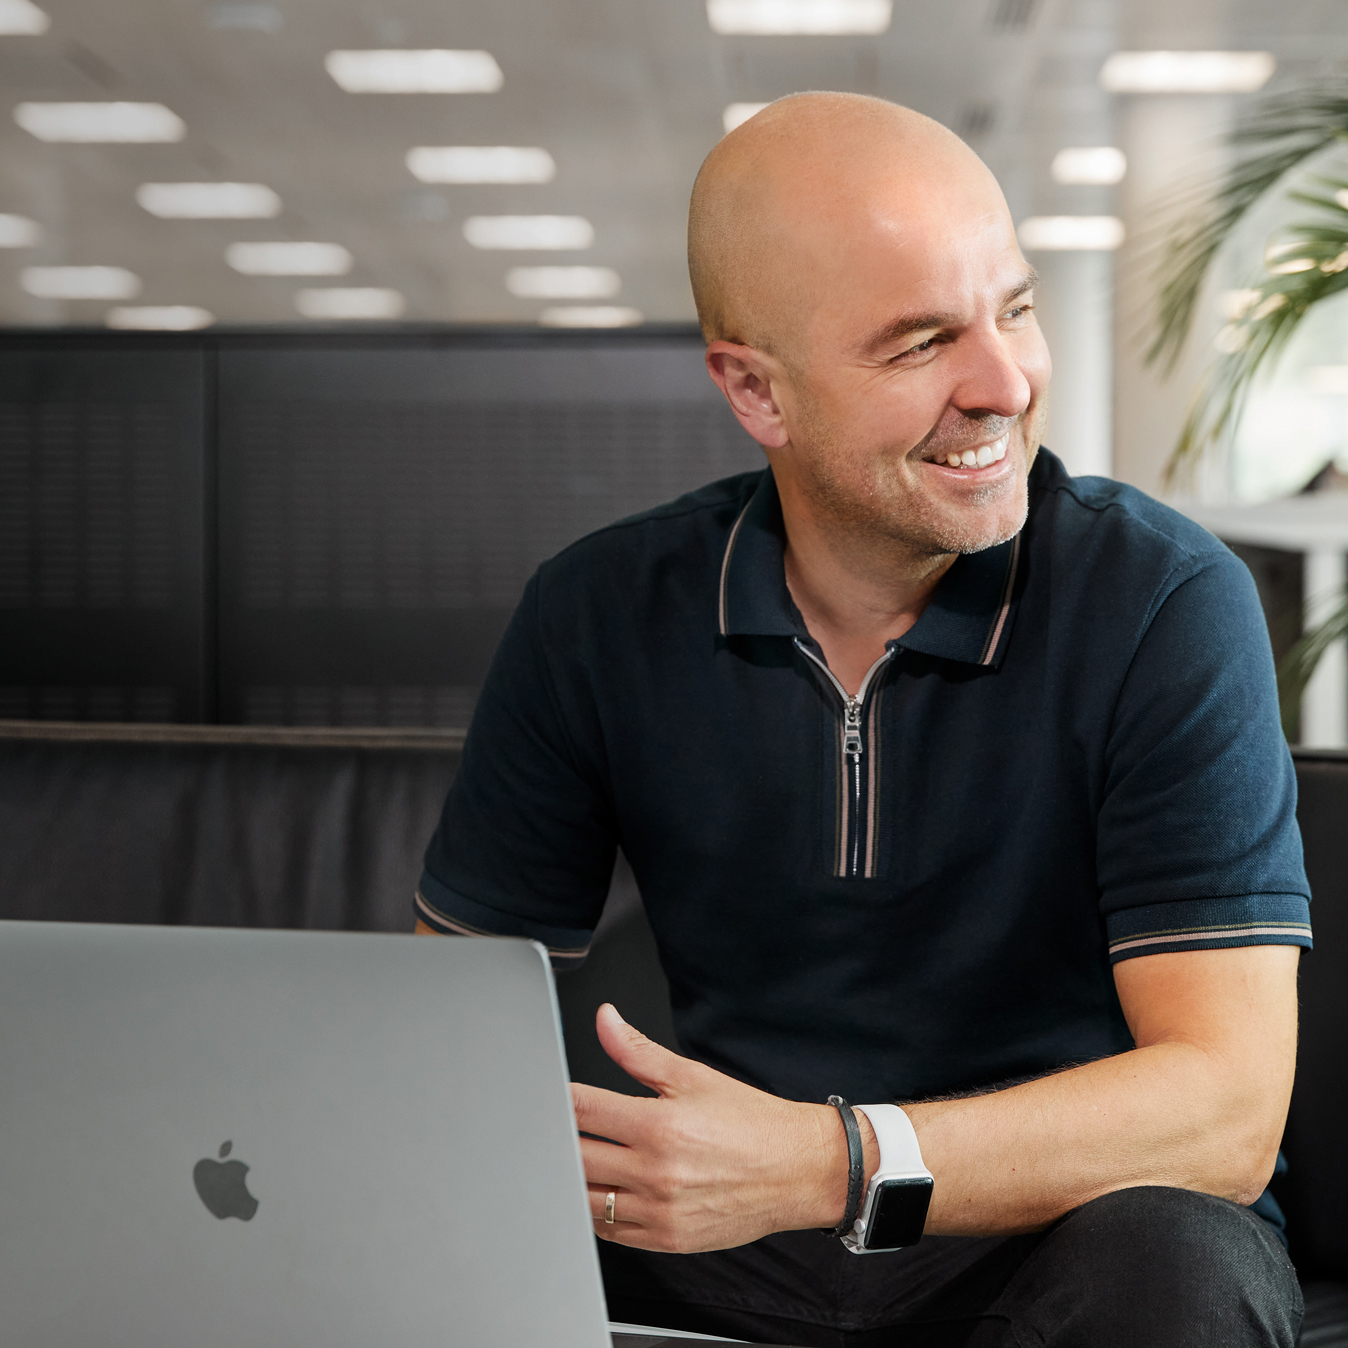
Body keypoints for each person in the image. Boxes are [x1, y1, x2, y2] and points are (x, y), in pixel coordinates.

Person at [415, 93, 1311, 1347]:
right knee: (429, 1249)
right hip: (734, 1249)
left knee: (1174, 1263)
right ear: (754, 392)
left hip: (1058, 1240)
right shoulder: (597, 612)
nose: (1003, 383)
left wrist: (822, 1160)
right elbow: (435, 1032)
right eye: (919, 343)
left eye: (1015, 308)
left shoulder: (1163, 600)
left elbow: (1225, 1112)